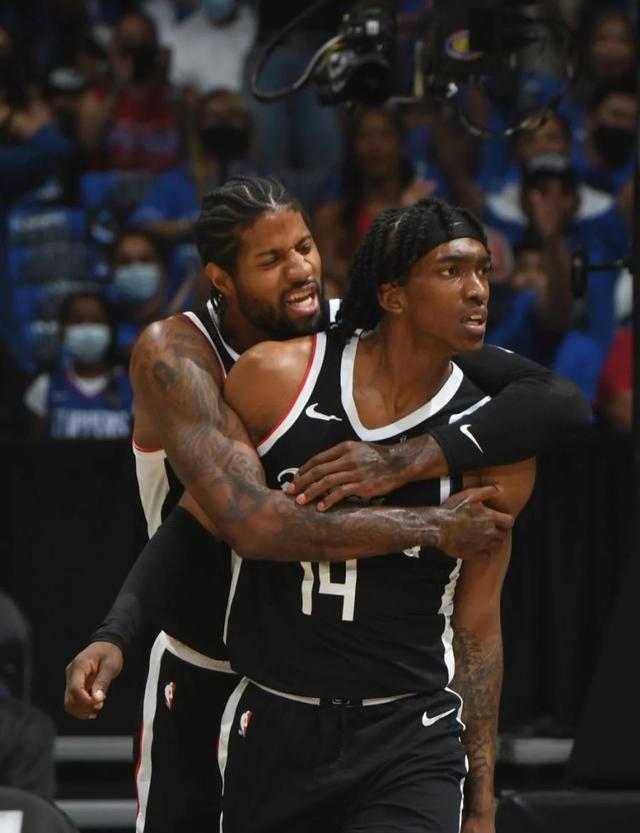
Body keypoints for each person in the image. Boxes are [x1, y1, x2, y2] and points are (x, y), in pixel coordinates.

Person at [64, 177, 590, 832]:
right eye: (272, 260)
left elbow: (558, 402)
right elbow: (242, 525)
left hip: (345, 688)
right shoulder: (178, 353)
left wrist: (406, 458)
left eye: (306, 247)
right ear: (221, 279)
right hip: (207, 663)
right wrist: (430, 525)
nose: (301, 271)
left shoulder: (353, 324)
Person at [220, 197, 536, 832]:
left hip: (410, 730)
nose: (478, 290)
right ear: (393, 296)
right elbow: (211, 527)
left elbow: (478, 626)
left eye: (482, 270)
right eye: (451, 271)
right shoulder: (274, 380)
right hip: (279, 715)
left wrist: (482, 798)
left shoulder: (496, 439)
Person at [313, 106, 435, 297]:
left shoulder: (421, 212)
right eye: (364, 136)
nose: (374, 145)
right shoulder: (331, 216)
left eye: (384, 134)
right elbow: (324, 268)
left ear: (401, 145)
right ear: (353, 147)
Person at [24, 290, 132, 439]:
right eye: (78, 320)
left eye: (97, 320)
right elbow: (33, 448)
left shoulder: (133, 389)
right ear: (62, 330)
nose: (87, 329)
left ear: (111, 330)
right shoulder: (45, 387)